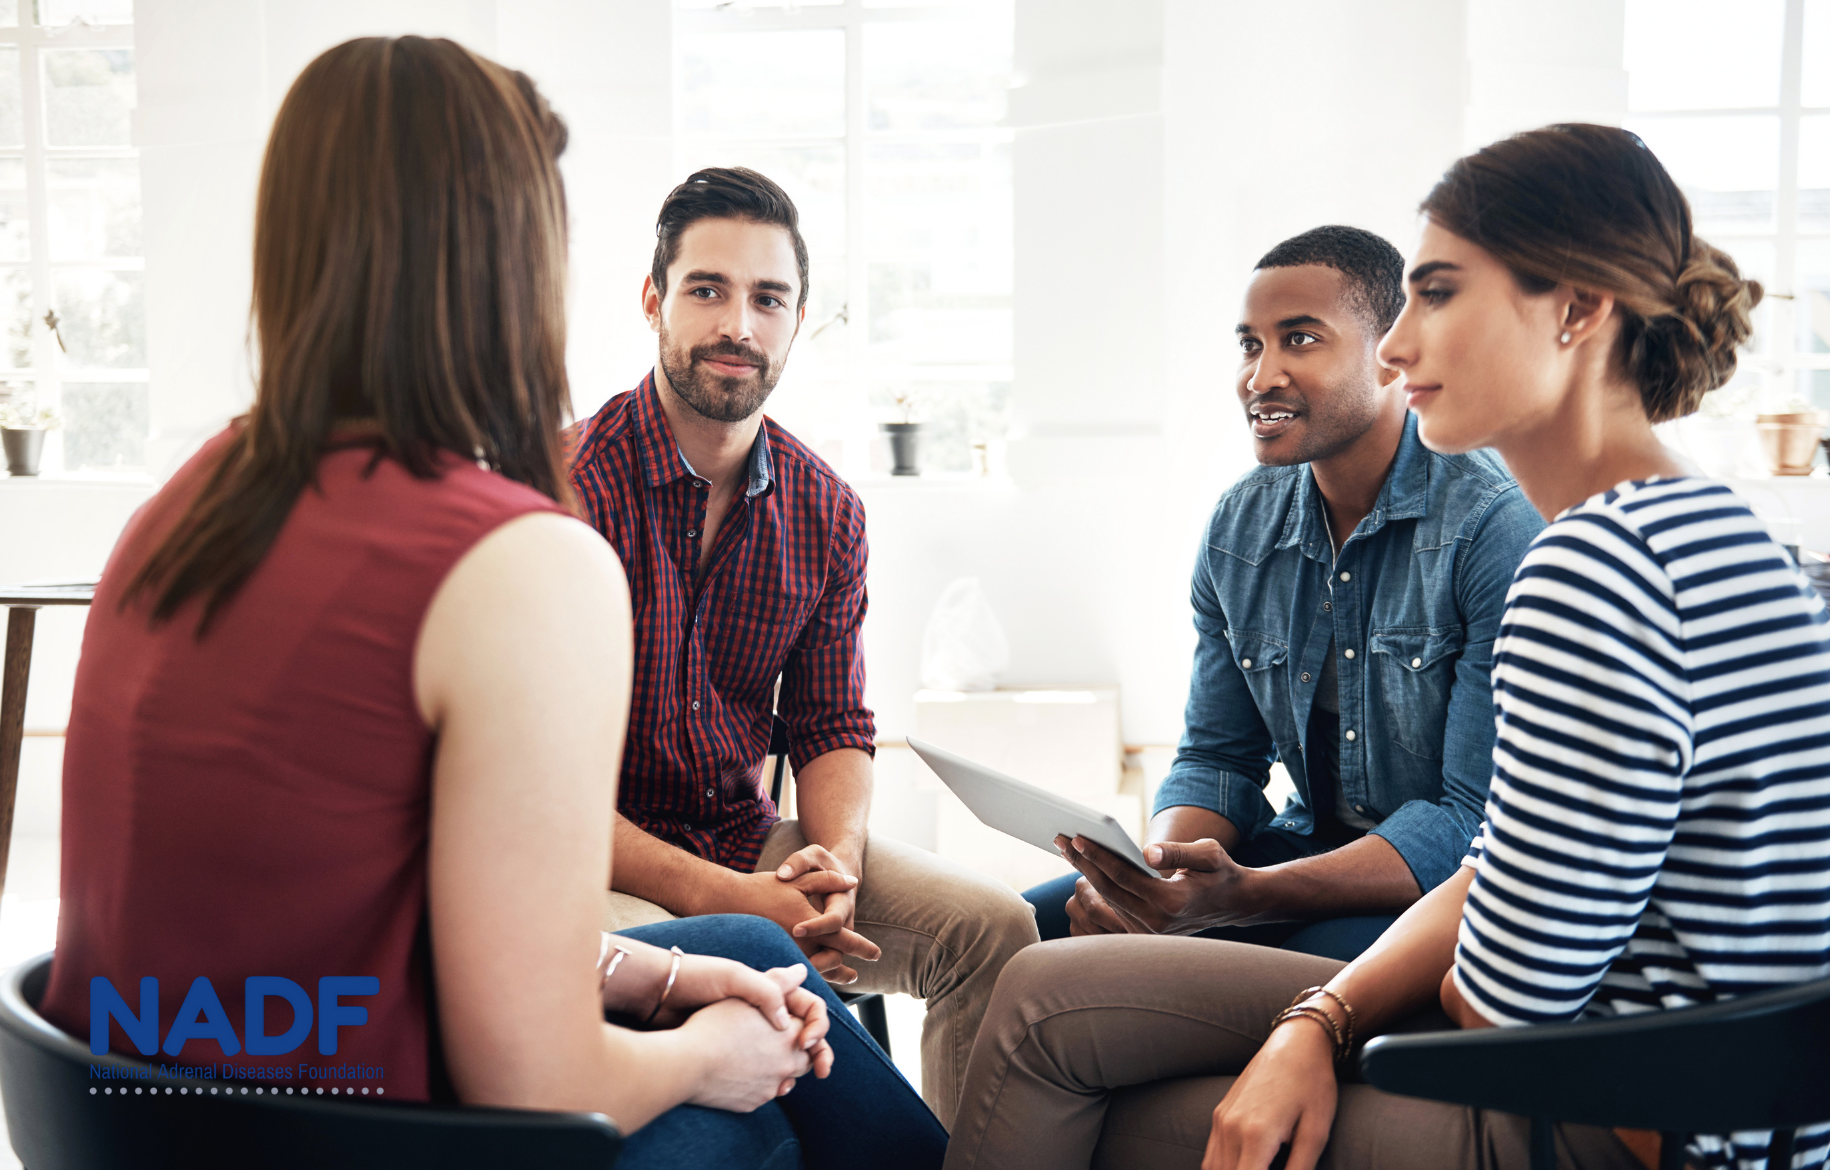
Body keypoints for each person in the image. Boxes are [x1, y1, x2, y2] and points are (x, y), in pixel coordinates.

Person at [41, 38, 944, 1170]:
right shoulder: (518, 554)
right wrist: (704, 1057)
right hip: (337, 1134)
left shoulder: (190, 498)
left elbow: (402, 898)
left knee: (747, 967)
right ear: (502, 260)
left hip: (154, 1116)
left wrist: (666, 973)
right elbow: (535, 1083)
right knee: (762, 1112)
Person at [944, 123, 1830, 1170]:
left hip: (1618, 1117)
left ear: (1579, 313)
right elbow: (1511, 862)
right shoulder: (1729, 539)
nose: (1402, 344)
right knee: (1068, 998)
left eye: (1441, 293)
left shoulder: (1583, 567)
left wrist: (1316, 1014)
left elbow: (1500, 997)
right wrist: (1317, 1012)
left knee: (1065, 1046)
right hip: (1739, 1117)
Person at [567, 165, 1037, 1127]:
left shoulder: (828, 511)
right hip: (591, 868)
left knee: (996, 930)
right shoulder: (563, 490)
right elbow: (536, 796)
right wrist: (741, 903)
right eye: (707, 290)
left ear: (797, 320)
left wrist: (833, 869)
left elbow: (831, 724)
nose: (738, 323)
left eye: (767, 298)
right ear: (654, 301)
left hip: (750, 842)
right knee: (733, 960)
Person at [1024, 226, 1542, 961]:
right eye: (1249, 344)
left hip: (1436, 898)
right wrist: (1154, 878)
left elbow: (1472, 821)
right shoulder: (1241, 526)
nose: (1259, 376)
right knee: (1026, 930)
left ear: (1392, 357)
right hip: (1297, 850)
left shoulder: (1492, 527)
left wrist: (1243, 897)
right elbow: (1218, 756)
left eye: (1300, 340)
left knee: (1140, 975)